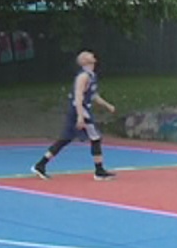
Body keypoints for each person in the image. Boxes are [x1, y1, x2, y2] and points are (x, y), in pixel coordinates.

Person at [32, 51, 117, 180]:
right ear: (84, 61)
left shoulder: (91, 75)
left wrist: (107, 105)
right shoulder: (83, 76)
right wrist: (80, 116)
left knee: (65, 139)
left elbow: (93, 95)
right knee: (95, 137)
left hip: (82, 110)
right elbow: (78, 96)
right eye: (89, 55)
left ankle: (40, 164)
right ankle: (99, 171)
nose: (93, 56)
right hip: (80, 110)